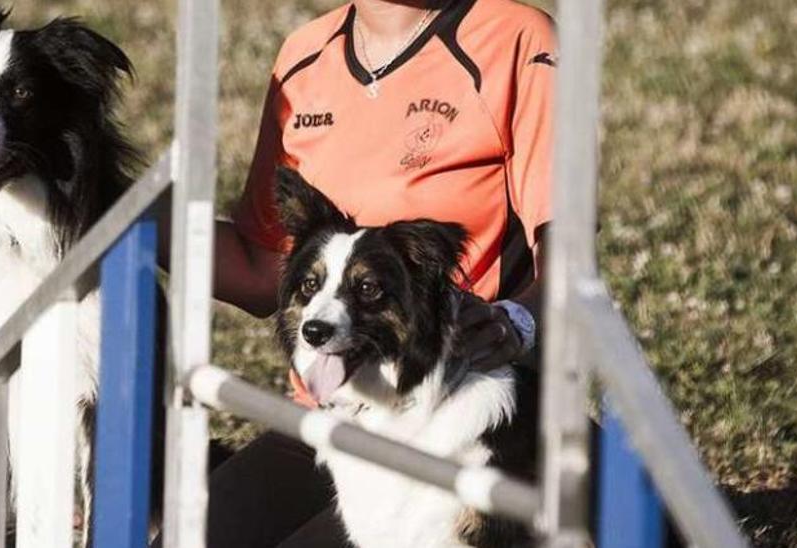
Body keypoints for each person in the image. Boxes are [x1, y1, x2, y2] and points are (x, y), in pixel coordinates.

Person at [160, 0, 557, 545]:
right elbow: (261, 271)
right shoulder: (304, 55)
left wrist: (519, 321)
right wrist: (126, 214)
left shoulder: (513, 35)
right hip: (330, 411)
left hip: (459, 407)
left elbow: (571, 254)